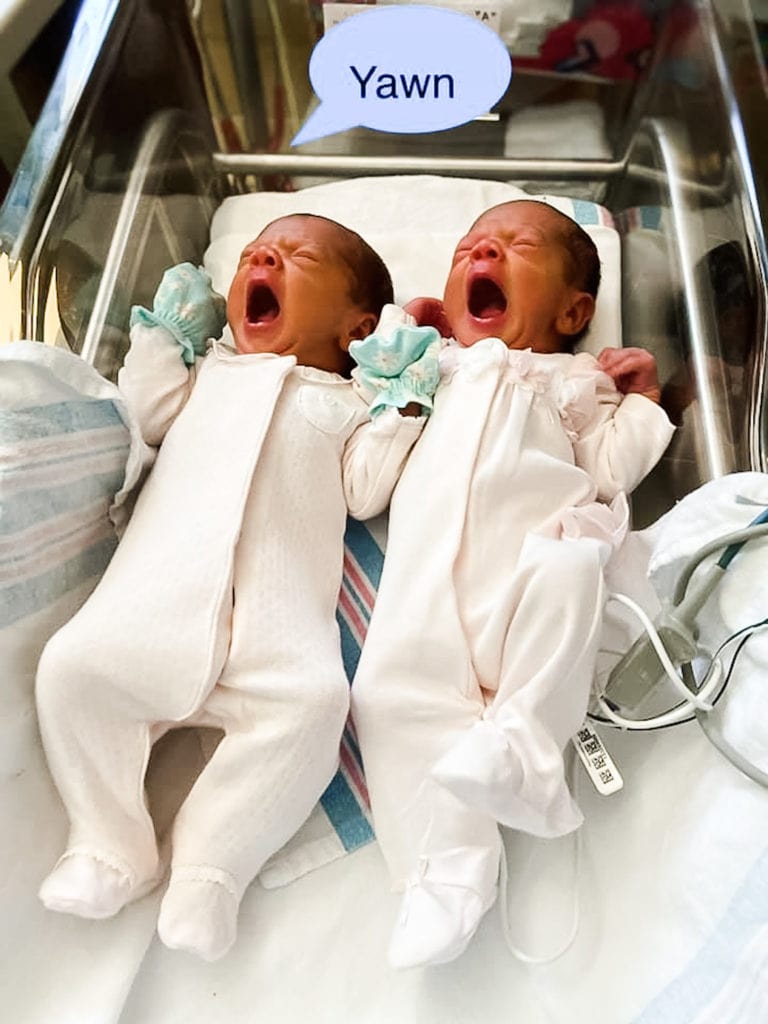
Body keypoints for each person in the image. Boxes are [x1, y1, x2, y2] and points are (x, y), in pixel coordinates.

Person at [35, 213, 432, 962]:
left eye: (295, 255)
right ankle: (109, 841)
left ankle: (214, 868)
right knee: (71, 670)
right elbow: (146, 417)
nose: (261, 257)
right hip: (149, 610)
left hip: (276, 636)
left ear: (355, 328)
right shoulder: (208, 372)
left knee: (315, 711)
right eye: (255, 252)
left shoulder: (345, 404)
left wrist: (401, 399)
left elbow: (367, 491)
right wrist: (163, 339)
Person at [349, 199, 676, 969]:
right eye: (466, 250)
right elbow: (379, 444)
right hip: (427, 580)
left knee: (573, 580)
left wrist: (645, 402)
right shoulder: (437, 369)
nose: (480, 255)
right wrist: (406, 342)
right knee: (386, 697)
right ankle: (446, 872)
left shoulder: (576, 382)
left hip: (533, 559)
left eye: (514, 245)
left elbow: (606, 470)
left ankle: (525, 753)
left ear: (575, 309)